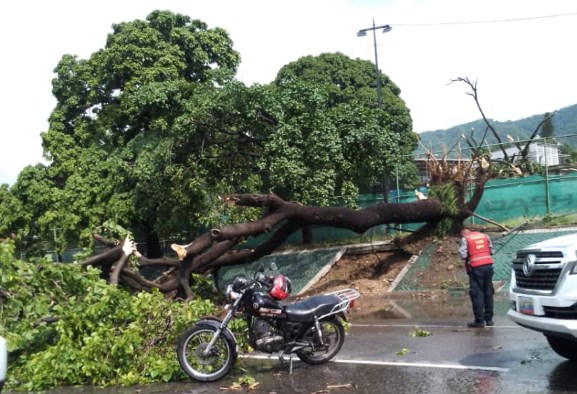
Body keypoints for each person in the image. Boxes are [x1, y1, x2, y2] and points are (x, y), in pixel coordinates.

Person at [458, 227, 495, 328]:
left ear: (463, 234)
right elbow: (492, 251)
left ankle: (479, 321)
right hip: (488, 267)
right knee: (488, 292)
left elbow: (462, 255)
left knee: (477, 294)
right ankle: (489, 320)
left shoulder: (465, 239)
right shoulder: (485, 236)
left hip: (476, 268)